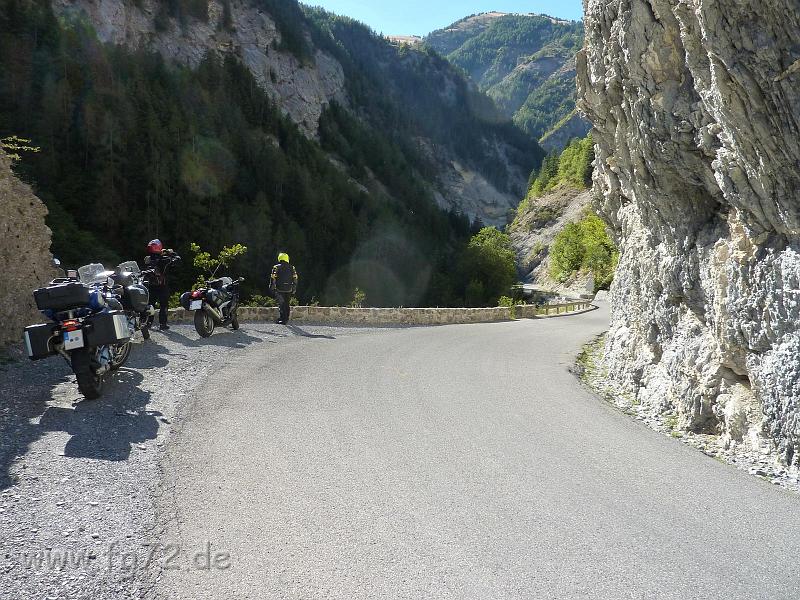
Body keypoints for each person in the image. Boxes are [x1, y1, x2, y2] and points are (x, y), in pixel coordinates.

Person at [144, 239, 181, 331]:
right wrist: (171, 253)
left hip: (151, 285)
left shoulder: (148, 259)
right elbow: (178, 260)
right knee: (163, 305)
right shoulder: (165, 259)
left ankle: (148, 323)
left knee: (150, 304)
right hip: (162, 285)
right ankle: (162, 324)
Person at [270, 252, 298, 325]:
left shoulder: (276, 267)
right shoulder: (292, 267)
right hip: (289, 288)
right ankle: (286, 318)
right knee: (287, 304)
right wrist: (294, 288)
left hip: (279, 288)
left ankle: (283, 319)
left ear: (279, 258)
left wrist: (272, 287)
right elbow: (295, 278)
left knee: (281, 304)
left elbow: (273, 278)